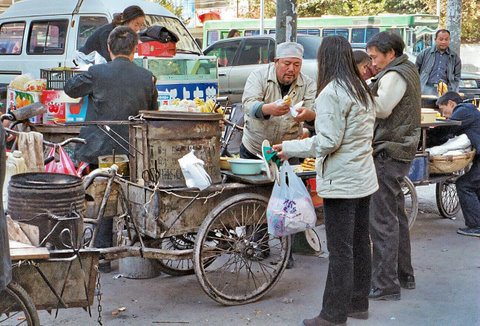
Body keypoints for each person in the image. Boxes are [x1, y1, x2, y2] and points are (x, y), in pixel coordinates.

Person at [273, 36, 377, 326]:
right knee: (358, 243)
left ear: (324, 60)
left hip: (342, 182)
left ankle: (332, 315)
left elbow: (329, 141)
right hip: (363, 178)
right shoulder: (360, 89)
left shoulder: (332, 91)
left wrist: (290, 147)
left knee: (341, 250)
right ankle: (358, 304)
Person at [366, 31, 421, 300]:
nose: (372, 62)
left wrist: (356, 98)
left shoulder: (395, 75)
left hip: (390, 150)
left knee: (382, 220)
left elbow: (382, 107)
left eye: (375, 57)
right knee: (396, 216)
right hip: (401, 149)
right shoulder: (406, 69)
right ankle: (403, 274)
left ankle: (386, 285)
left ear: (390, 54)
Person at [65, 26, 158, 165]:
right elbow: (153, 113)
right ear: (135, 49)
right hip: (135, 151)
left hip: (97, 152)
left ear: (109, 47)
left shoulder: (97, 72)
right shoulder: (147, 77)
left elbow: (70, 88)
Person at [241, 42, 316, 159]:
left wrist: (308, 115)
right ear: (276, 62)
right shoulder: (258, 76)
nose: (291, 69)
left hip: (288, 151)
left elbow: (313, 114)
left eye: (297, 65)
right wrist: (268, 109)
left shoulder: (308, 84)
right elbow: (248, 106)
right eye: (287, 64)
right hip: (255, 149)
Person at [435, 92, 480, 237]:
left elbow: (447, 129)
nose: (444, 114)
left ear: (451, 103)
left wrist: (430, 139)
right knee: (476, 186)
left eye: (443, 110)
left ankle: (476, 226)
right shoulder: (469, 109)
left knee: (464, 185)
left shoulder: (462, 110)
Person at [80, 5, 145, 62]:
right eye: (136, 25)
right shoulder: (108, 33)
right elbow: (109, 57)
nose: (138, 29)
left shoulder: (126, 34)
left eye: (140, 25)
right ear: (126, 21)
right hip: (85, 62)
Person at [415, 29, 462, 95]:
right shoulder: (424, 53)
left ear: (449, 40)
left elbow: (457, 77)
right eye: (441, 39)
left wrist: (453, 91)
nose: (443, 42)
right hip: (426, 89)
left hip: (446, 91)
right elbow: (415, 72)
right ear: (435, 39)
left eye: (446, 39)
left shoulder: (454, 57)